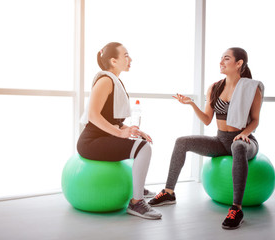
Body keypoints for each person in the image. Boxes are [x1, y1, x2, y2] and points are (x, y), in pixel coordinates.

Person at [148, 47, 264, 229]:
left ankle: (237, 209)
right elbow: (207, 120)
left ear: (239, 63)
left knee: (238, 147)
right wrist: (192, 104)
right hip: (221, 140)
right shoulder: (215, 87)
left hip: (244, 141)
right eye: (221, 59)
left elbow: (256, 120)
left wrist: (244, 134)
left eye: (226, 59)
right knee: (181, 142)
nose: (221, 62)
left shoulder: (252, 88)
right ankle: (169, 192)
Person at [77, 42, 161, 220]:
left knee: (142, 144)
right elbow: (93, 115)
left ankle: (136, 187)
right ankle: (136, 202)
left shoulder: (114, 80)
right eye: (126, 55)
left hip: (100, 138)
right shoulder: (105, 80)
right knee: (143, 148)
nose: (130, 59)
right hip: (91, 142)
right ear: (113, 61)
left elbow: (111, 119)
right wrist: (120, 134)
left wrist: (130, 130)